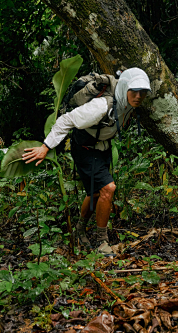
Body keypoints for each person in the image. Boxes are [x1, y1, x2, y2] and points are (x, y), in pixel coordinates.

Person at [22, 68, 152, 256]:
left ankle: (80, 229)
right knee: (108, 188)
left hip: (102, 147)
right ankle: (102, 241)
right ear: (124, 88)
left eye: (143, 92)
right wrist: (45, 147)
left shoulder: (128, 100)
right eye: (134, 90)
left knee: (96, 193)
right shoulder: (101, 106)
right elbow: (66, 120)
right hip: (86, 149)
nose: (139, 96)